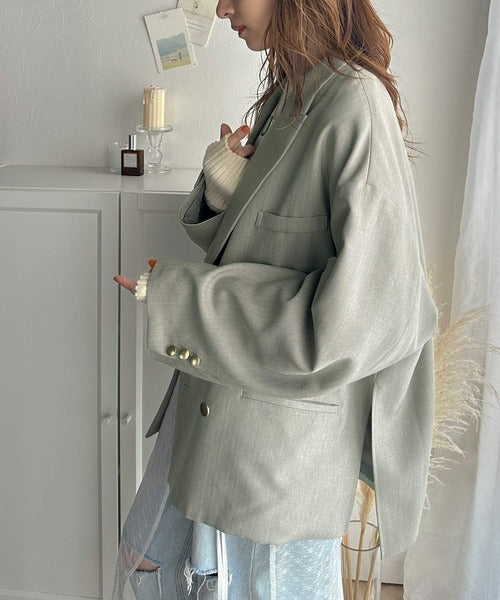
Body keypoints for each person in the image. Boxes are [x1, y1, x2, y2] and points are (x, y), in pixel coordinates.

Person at [112, 0, 438, 598]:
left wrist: (183, 299)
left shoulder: (355, 104)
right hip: (217, 394)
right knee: (145, 561)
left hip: (280, 440)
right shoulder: (288, 95)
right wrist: (223, 192)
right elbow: (268, 247)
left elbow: (365, 317)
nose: (221, 9)